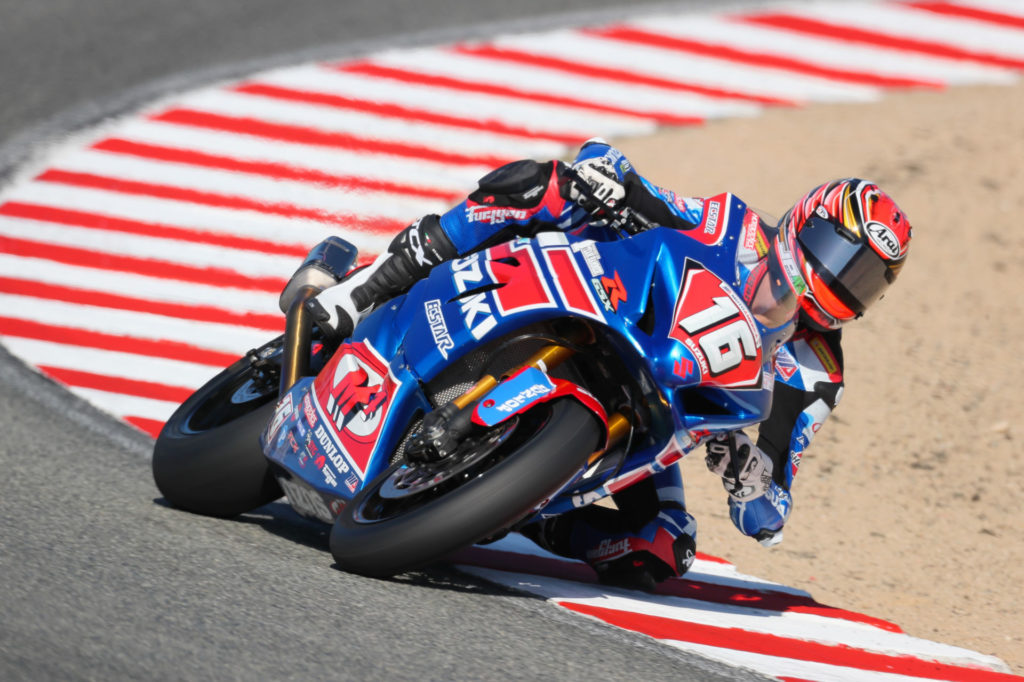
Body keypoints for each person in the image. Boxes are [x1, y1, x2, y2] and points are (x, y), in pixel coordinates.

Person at [305, 138, 912, 590]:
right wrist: (611, 178)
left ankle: (507, 510)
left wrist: (750, 473)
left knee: (662, 549)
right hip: (606, 315)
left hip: (655, 419)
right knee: (543, 184)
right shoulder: (733, 225)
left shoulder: (816, 372)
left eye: (863, 282)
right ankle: (359, 293)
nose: (841, 282)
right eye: (840, 255)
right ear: (806, 221)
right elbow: (641, 187)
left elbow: (768, 515)